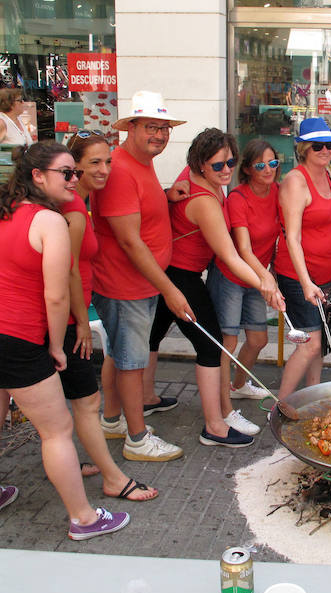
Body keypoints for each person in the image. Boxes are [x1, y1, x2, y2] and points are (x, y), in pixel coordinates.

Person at [0, 141, 129, 540]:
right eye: (67, 172)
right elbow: (56, 294)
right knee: (57, 429)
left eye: (74, 172)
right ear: (37, 176)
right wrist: (53, 346)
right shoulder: (50, 223)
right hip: (14, 338)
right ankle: (83, 518)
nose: (74, 179)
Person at [146, 128, 283, 448]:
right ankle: (214, 426)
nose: (226, 171)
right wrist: (265, 283)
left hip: (176, 269)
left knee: (152, 335)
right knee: (213, 346)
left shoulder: (197, 178)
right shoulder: (206, 201)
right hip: (181, 274)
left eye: (230, 163)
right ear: (200, 164)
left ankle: (145, 398)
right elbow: (231, 257)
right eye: (218, 165)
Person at [90, 90, 188, 461]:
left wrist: (166, 194)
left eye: (164, 129)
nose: (160, 135)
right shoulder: (118, 170)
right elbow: (130, 242)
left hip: (138, 284)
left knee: (119, 355)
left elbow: (135, 210)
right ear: (130, 127)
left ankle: (113, 420)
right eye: (151, 127)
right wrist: (170, 290)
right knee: (132, 362)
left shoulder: (141, 164)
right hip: (124, 285)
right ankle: (137, 439)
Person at [62, 131, 158, 501]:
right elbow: (67, 269)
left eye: (108, 161)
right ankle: (115, 468)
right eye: (94, 164)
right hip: (68, 316)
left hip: (80, 307)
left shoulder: (85, 198)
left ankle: (78, 456)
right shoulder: (71, 207)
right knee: (78, 401)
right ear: (75, 168)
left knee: (82, 399)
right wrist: (82, 323)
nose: (104, 170)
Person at [208, 139, 283, 400]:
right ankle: (220, 405)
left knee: (258, 339)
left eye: (272, 163)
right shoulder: (239, 197)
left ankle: (238, 386)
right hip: (231, 275)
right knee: (227, 343)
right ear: (248, 169)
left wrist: (269, 273)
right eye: (260, 164)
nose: (268, 169)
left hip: (257, 276)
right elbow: (243, 248)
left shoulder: (277, 191)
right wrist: (266, 278)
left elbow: (279, 235)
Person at [275, 118, 331, 399]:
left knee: (321, 341)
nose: (326, 150)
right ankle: (281, 403)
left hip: (327, 273)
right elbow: (292, 237)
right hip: (300, 276)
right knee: (310, 343)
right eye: (318, 146)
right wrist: (305, 283)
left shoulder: (327, 174)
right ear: (303, 148)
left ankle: (312, 396)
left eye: (329, 144)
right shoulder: (295, 181)